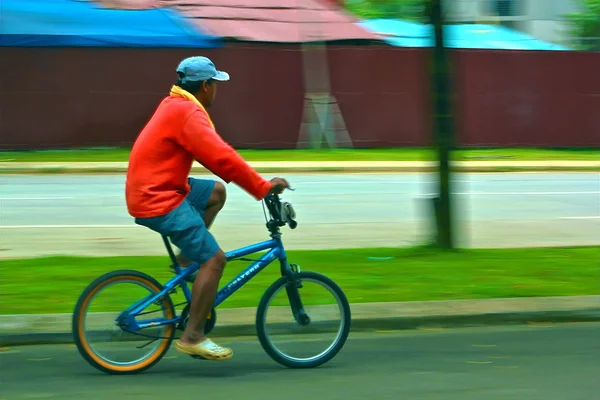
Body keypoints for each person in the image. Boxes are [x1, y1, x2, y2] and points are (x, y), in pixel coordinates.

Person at [125, 56, 290, 361]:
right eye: (215, 85)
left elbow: (215, 162)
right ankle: (193, 336)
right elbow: (221, 157)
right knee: (215, 260)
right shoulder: (187, 113)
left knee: (215, 192)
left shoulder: (174, 104)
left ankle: (186, 261)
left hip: (156, 187)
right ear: (205, 86)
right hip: (158, 197)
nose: (216, 91)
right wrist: (262, 187)